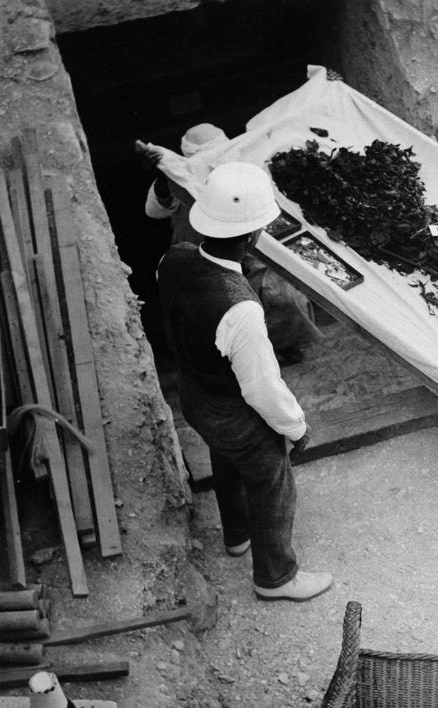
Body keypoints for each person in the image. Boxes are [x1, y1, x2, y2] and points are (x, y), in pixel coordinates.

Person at [157, 161, 331, 602]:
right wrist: (296, 427)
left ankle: (236, 535)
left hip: (194, 394)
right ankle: (276, 577)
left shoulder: (172, 260)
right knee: (272, 477)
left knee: (226, 459)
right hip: (232, 408)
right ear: (254, 237)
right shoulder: (241, 309)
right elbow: (261, 387)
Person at [138, 128, 322, 365]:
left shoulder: (241, 169)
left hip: (250, 253)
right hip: (205, 257)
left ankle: (286, 347)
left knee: (281, 296)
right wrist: (165, 176)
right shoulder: (181, 176)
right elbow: (155, 210)